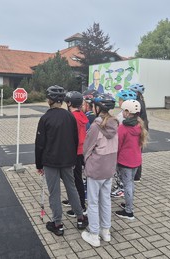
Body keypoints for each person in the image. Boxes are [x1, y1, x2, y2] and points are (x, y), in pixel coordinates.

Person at [35, 85, 88, 236]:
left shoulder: (45, 118)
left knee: (54, 193)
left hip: (50, 162)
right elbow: (75, 140)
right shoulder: (70, 116)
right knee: (71, 188)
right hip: (67, 161)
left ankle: (57, 223)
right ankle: (80, 218)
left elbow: (40, 144)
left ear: (50, 100)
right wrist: (72, 160)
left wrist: (39, 164)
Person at [81, 93, 118, 247]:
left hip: (96, 169)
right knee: (106, 200)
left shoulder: (96, 126)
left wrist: (86, 162)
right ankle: (106, 231)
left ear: (97, 107)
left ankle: (94, 234)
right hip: (109, 167)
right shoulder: (115, 123)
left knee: (93, 202)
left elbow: (87, 148)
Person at [115, 100, 148, 220]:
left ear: (128, 112)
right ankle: (129, 203)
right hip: (136, 160)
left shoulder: (123, 128)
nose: (122, 113)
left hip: (125, 161)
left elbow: (117, 145)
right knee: (131, 183)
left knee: (127, 185)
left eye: (124, 111)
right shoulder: (139, 126)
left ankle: (129, 211)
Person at [62, 91, 88, 217]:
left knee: (75, 180)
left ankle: (81, 206)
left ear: (69, 103)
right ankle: (75, 200)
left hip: (74, 152)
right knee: (75, 179)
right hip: (80, 151)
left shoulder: (71, 117)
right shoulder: (80, 115)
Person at [111, 89, 137, 198]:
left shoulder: (123, 117)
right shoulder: (124, 114)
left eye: (121, 100)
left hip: (122, 150)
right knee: (125, 176)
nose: (119, 102)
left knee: (121, 173)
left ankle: (121, 189)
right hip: (130, 152)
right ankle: (121, 187)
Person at [127, 84, 149, 182]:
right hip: (143, 128)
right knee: (138, 152)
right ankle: (137, 175)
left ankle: (136, 175)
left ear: (136, 93)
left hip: (140, 128)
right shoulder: (141, 101)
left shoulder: (138, 104)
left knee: (137, 152)